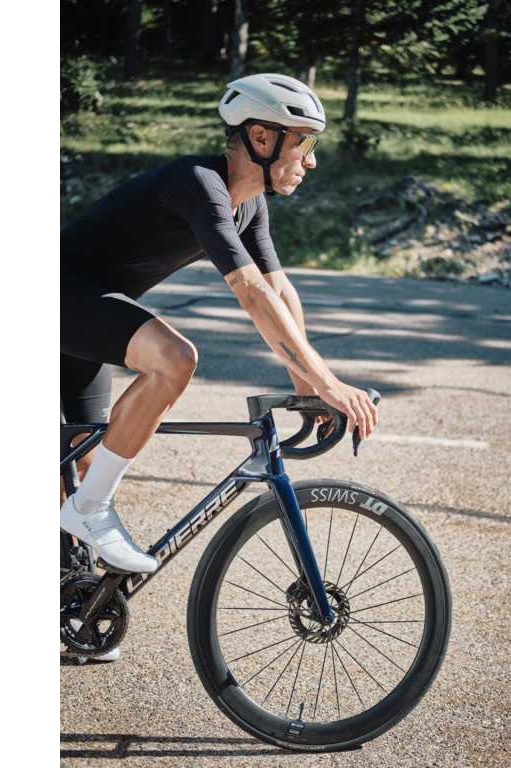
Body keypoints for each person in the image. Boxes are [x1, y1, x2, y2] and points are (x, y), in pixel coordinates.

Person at [60, 73, 379, 615]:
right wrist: (329, 383)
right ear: (261, 137)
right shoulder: (197, 182)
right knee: (173, 359)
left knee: (83, 462)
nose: (310, 161)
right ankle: (91, 511)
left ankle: (73, 612)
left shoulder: (249, 206)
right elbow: (250, 292)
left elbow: (279, 289)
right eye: (304, 142)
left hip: (83, 319)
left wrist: (307, 388)